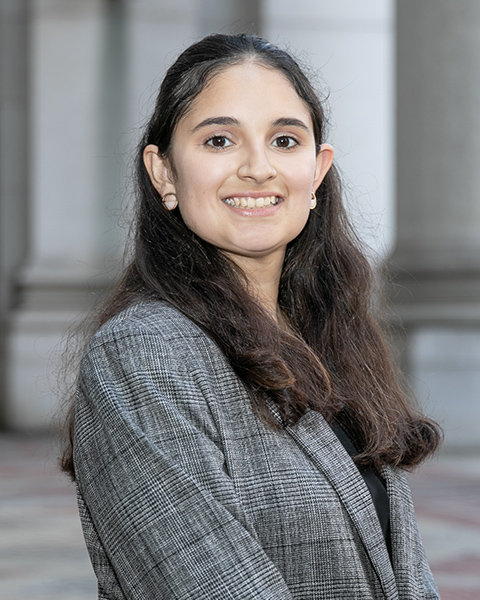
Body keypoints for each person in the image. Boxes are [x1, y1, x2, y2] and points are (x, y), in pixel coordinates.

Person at [61, 33, 442, 599]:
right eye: (219, 140)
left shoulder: (329, 340)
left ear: (316, 172)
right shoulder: (143, 355)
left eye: (285, 140)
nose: (258, 168)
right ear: (163, 173)